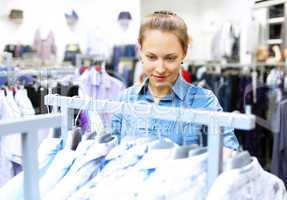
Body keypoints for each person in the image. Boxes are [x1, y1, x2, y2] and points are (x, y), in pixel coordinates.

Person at [111, 10, 239, 154]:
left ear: (184, 53)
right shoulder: (125, 100)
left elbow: (231, 155)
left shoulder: (203, 101)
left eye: (170, 58)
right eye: (151, 57)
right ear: (140, 51)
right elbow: (110, 154)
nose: (160, 69)